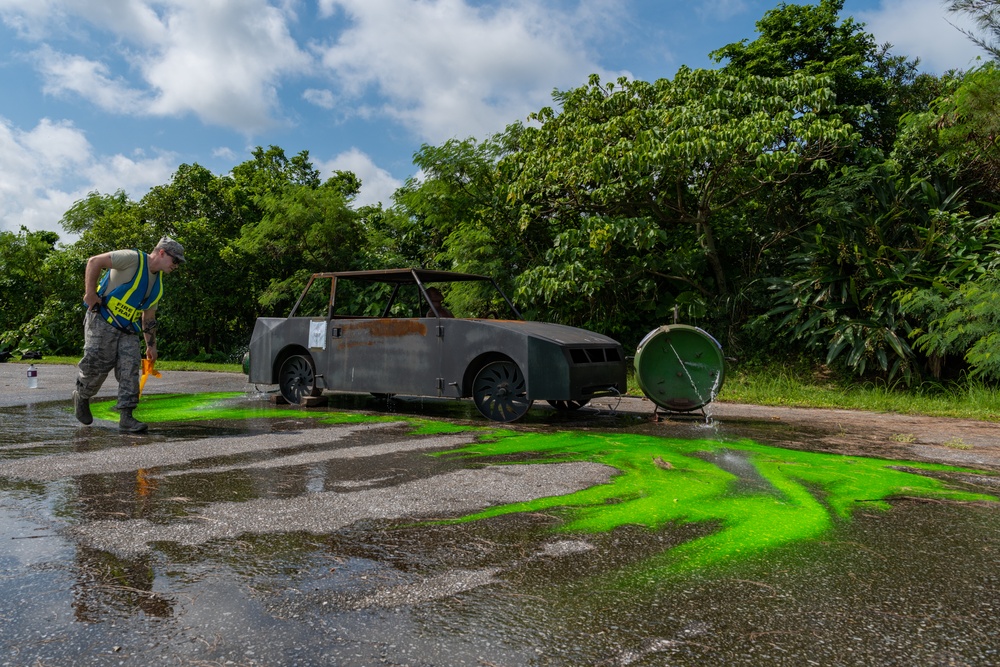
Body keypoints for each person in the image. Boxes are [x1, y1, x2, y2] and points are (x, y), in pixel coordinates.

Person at [73, 237, 185, 432]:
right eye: (175, 260)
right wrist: (90, 293)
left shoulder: (157, 284)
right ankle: (82, 396)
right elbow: (94, 261)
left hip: (127, 330)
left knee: (130, 369)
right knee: (96, 367)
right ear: (161, 252)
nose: (176, 266)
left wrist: (151, 345)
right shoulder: (132, 259)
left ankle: (127, 417)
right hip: (102, 320)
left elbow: (148, 317)